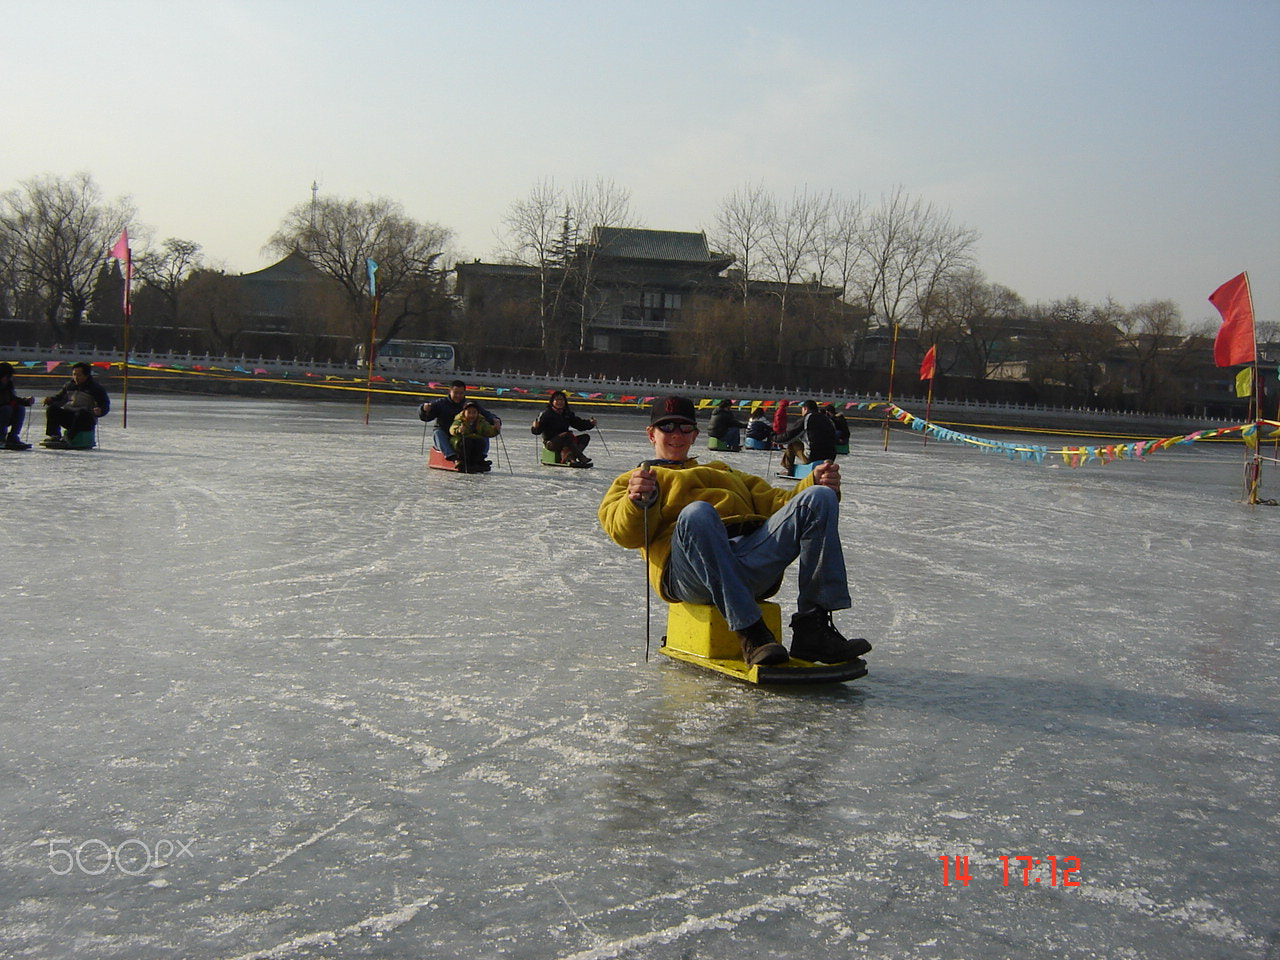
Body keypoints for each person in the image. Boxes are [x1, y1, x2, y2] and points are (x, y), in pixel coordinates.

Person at [599, 395, 871, 668]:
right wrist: (637, 501)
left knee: (820, 498)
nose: (676, 434)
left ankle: (812, 626)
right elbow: (626, 534)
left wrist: (816, 481)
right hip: (691, 574)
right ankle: (751, 633)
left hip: (747, 557)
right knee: (698, 513)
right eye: (666, 427)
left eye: (684, 428)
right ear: (651, 434)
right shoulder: (636, 480)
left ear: (694, 435)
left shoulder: (722, 470)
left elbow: (778, 504)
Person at [418, 380, 501, 460]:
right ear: (450, 391)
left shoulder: (469, 406)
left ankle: (481, 456)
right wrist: (424, 409)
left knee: (484, 432)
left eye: (461, 393)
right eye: (456, 393)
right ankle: (451, 455)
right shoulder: (441, 403)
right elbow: (426, 417)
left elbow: (486, 415)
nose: (458, 396)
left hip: (464, 436)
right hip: (446, 435)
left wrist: (495, 420)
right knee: (437, 433)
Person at [42, 361, 109, 448]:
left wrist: (100, 411)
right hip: (70, 417)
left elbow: (105, 404)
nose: (76, 377)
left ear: (86, 375)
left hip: (86, 420)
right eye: (74, 374)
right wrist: (50, 400)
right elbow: (59, 399)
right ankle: (54, 435)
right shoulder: (69, 385)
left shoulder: (96, 388)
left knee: (82, 413)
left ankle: (68, 437)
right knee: (52, 409)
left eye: (79, 375)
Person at [532, 390, 596, 466]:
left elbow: (579, 424)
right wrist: (535, 426)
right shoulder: (546, 414)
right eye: (557, 400)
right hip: (551, 443)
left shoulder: (567, 413)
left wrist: (590, 423)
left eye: (561, 400)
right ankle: (580, 456)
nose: (560, 402)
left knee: (585, 437)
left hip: (566, 440)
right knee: (566, 435)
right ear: (552, 401)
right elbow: (537, 431)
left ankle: (571, 457)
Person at [777, 399, 837, 475]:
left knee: (793, 443)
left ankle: (788, 469)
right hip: (830, 457)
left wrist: (775, 438)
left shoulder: (807, 418)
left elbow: (790, 436)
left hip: (813, 457)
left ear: (805, 409)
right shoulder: (827, 419)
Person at [450, 401, 498, 472]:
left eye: (474, 412)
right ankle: (463, 462)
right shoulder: (460, 420)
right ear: (464, 412)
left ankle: (476, 462)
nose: (471, 415)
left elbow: (488, 431)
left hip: (475, 441)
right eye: (469, 412)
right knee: (467, 443)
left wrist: (495, 430)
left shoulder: (481, 421)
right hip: (461, 441)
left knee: (480, 442)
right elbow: (452, 429)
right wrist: (458, 430)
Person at [0, 362, 36, 450]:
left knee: (20, 408)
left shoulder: (8, 385)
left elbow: (13, 399)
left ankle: (13, 436)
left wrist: (26, 401)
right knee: (6, 409)